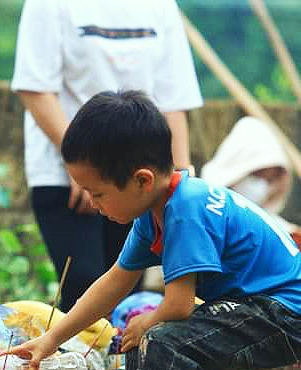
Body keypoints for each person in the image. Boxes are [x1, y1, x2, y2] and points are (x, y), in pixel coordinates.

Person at [8, 91, 301, 370]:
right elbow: (114, 282)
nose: (95, 206)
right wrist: (51, 338)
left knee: (162, 341)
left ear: (140, 179)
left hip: (285, 316)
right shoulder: (153, 209)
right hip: (255, 309)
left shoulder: (186, 209)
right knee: (144, 347)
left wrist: (147, 324)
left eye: (97, 194)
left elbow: (176, 305)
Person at [10, 0, 202, 311]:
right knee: (82, 285)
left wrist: (180, 184)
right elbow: (35, 88)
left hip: (138, 179)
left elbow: (173, 99)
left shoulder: (160, 6)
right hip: (67, 174)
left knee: (128, 293)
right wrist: (87, 171)